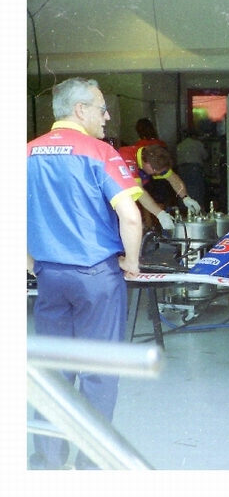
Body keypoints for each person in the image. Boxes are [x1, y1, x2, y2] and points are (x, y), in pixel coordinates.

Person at [27, 78, 144, 469]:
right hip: (97, 276)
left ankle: (46, 460)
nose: (107, 116)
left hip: (50, 276)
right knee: (99, 370)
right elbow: (130, 215)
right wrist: (132, 261)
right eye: (101, 107)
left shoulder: (25, 153)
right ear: (80, 110)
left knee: (54, 370)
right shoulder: (99, 152)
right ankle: (91, 465)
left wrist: (34, 265)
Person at [118, 143, 202, 230]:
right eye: (157, 172)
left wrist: (185, 197)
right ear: (148, 166)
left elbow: (172, 177)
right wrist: (160, 214)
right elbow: (139, 192)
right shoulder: (127, 158)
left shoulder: (150, 156)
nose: (158, 174)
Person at [176, 128, 209, 209]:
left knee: (183, 191)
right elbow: (206, 156)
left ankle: (184, 212)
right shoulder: (198, 144)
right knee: (197, 192)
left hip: (181, 169)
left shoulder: (180, 145)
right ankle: (198, 211)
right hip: (195, 169)